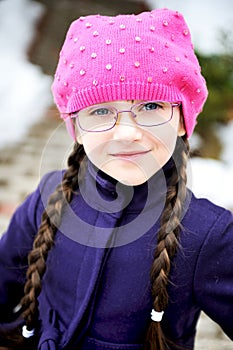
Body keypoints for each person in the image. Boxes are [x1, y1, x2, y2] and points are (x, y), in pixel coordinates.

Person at [0, 7, 232, 350]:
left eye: (151, 106)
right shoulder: (48, 196)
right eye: (100, 110)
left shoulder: (210, 234)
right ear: (76, 127)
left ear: (182, 120)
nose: (126, 133)